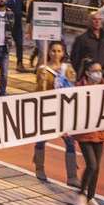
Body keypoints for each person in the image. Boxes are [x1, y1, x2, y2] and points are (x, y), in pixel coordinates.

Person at [33, 41, 79, 187]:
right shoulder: (43, 70)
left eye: (59, 51)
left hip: (64, 111)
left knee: (70, 142)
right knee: (42, 139)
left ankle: (72, 176)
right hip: (48, 110)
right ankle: (39, 168)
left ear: (64, 53)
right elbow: (39, 91)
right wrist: (43, 81)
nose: (56, 54)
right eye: (53, 51)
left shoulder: (68, 69)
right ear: (49, 52)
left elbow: (73, 88)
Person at [73, 59, 104, 205]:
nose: (98, 74)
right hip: (85, 133)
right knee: (92, 165)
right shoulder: (79, 88)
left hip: (100, 132)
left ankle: (91, 197)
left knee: (96, 167)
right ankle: (81, 195)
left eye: (100, 70)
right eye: (95, 71)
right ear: (87, 72)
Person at [70, 11, 104, 76]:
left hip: (103, 74)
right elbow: (74, 59)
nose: (97, 22)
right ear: (89, 21)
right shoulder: (81, 39)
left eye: (99, 19)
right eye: (94, 19)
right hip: (87, 75)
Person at [4, 0, 27, 72]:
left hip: (18, 24)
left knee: (20, 43)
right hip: (7, 24)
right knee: (6, 45)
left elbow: (23, 7)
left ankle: (20, 63)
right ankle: (2, 61)